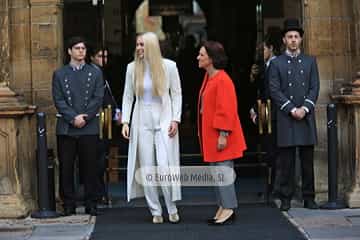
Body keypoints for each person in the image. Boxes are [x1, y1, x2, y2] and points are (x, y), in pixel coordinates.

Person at [121, 32, 182, 224]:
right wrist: (125, 121)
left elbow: (177, 94)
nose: (139, 48)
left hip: (164, 120)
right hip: (141, 120)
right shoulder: (131, 68)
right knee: (147, 167)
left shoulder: (169, 66)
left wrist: (176, 119)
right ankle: (155, 210)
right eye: (137, 45)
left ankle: (171, 207)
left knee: (164, 166)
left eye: (142, 45)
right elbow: (128, 96)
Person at [269, 19, 320, 211]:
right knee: (287, 161)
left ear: (301, 39)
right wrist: (291, 109)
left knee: (307, 161)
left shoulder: (310, 61)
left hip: (305, 116)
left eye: (296, 36)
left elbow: (315, 87)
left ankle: (309, 198)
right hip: (286, 117)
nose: (293, 40)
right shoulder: (276, 63)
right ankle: (286, 198)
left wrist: (304, 108)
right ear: (284, 39)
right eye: (289, 36)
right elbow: (274, 90)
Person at [52, 36, 104, 216]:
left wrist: (86, 117)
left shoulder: (95, 72)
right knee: (66, 167)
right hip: (67, 128)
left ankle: (91, 203)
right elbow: (58, 100)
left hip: (89, 127)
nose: (81, 51)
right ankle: (68, 204)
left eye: (83, 48)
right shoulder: (59, 74)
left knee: (90, 167)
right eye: (77, 48)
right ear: (69, 51)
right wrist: (73, 117)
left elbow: (98, 98)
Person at [197, 41, 247, 225]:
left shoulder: (223, 79)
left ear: (211, 59)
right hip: (212, 135)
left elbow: (226, 109)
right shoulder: (210, 77)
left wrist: (223, 135)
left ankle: (229, 207)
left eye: (201, 55)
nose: (198, 58)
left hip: (222, 136)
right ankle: (223, 206)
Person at [249, 35, 282, 193]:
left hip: (271, 111)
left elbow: (270, 92)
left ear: (271, 49)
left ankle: (273, 186)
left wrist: (255, 108)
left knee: (272, 149)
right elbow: (261, 89)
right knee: (267, 148)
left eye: (262, 49)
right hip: (264, 110)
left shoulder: (275, 64)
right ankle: (270, 185)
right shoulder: (264, 66)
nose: (260, 52)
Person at [89, 46, 121, 203]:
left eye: (106, 56)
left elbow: (109, 95)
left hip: (106, 116)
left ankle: (101, 192)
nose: (104, 60)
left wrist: (116, 112)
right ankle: (99, 192)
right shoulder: (93, 72)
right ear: (92, 57)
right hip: (100, 116)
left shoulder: (102, 73)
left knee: (103, 155)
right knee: (99, 157)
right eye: (101, 56)